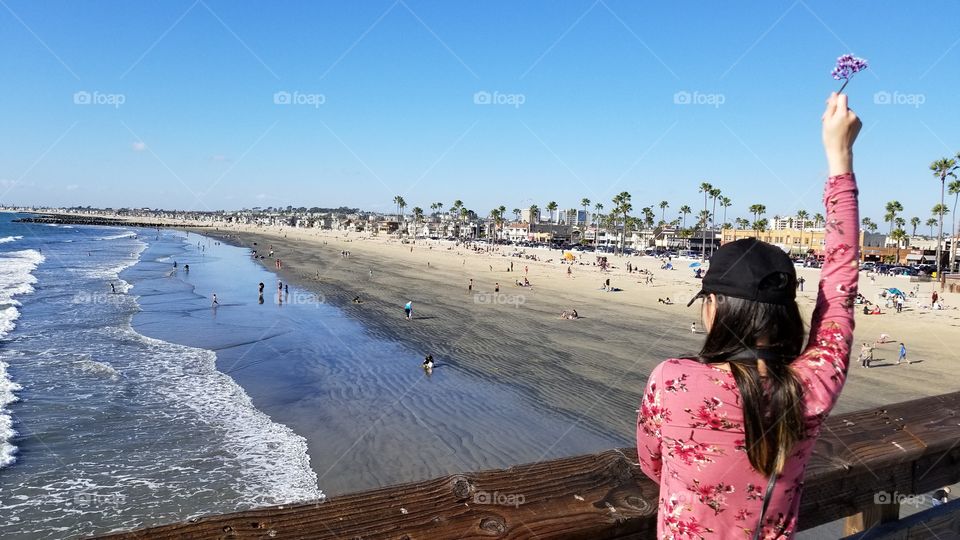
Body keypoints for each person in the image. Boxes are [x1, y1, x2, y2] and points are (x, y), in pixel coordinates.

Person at [637, 91, 861, 538]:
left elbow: (652, 463)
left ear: (714, 307)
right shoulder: (810, 385)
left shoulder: (673, 380)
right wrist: (840, 158)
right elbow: (839, 289)